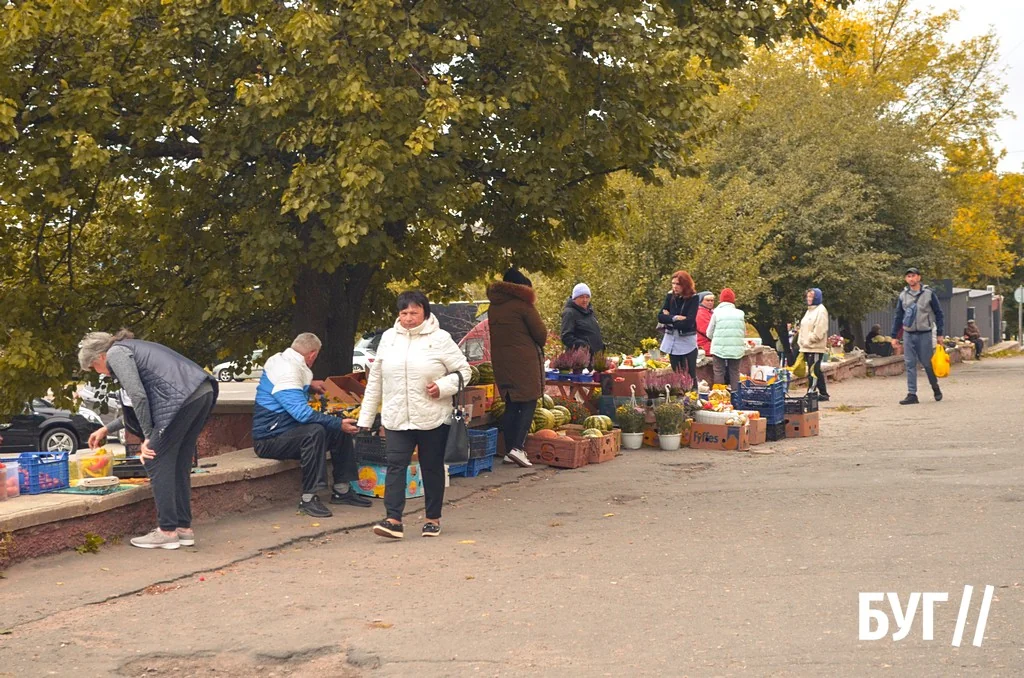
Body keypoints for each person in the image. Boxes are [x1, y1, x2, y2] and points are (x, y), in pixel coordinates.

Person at [78, 329, 217, 550]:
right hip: (201, 392)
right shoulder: (132, 349)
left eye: (95, 367)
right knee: (180, 461)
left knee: (154, 458)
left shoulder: (116, 354)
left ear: (101, 356)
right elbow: (137, 406)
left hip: (183, 399)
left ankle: (167, 531)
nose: (100, 373)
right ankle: (183, 528)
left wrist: (150, 438)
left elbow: (139, 396)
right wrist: (107, 428)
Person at [357, 291, 472, 539]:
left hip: (432, 417)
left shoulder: (441, 339)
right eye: (404, 313)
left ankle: (432, 519)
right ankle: (393, 520)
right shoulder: (388, 338)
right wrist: (365, 420)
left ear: (425, 313)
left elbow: (464, 371)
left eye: (414, 312)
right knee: (396, 466)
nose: (408, 318)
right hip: (397, 416)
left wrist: (443, 387)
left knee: (431, 467)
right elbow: (375, 379)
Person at [251, 333, 370, 519]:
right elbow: (302, 414)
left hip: (286, 430)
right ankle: (308, 499)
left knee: (336, 428)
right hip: (269, 440)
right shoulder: (289, 372)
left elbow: (288, 386)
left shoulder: (282, 359)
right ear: (312, 355)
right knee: (316, 432)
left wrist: (309, 386)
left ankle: (342, 490)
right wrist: (337, 423)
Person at [487, 268, 546, 468]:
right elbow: (541, 334)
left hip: (502, 362)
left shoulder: (494, 306)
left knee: (511, 403)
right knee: (529, 401)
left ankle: (509, 449)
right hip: (524, 362)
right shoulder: (523, 305)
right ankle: (518, 448)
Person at [890, 267, 944, 405]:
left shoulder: (929, 294)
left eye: (913, 276)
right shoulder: (903, 295)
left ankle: (935, 387)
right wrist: (894, 336)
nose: (911, 279)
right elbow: (898, 316)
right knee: (909, 364)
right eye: (908, 276)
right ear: (905, 279)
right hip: (909, 334)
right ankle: (912, 394)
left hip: (925, 333)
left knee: (927, 363)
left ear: (919, 277)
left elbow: (939, 313)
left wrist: (940, 334)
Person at [657, 271, 700, 385]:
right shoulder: (670, 296)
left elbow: (688, 322)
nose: (675, 286)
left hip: (686, 341)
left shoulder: (693, 298)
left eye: (678, 284)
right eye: (673, 283)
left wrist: (669, 318)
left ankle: (693, 399)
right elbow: (660, 317)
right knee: (677, 375)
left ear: (685, 285)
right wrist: (675, 318)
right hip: (672, 340)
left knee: (690, 375)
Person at [705, 288, 746, 392]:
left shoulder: (716, 313)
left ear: (721, 300)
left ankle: (719, 397)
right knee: (735, 372)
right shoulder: (740, 313)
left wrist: (717, 339)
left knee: (719, 372)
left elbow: (709, 333)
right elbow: (743, 332)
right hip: (736, 349)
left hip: (719, 348)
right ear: (733, 300)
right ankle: (736, 397)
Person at [797, 288, 830, 401]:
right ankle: (824, 393)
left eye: (811, 296)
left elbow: (820, 329)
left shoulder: (821, 311)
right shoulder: (809, 310)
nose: (808, 299)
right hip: (806, 346)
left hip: (815, 347)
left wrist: (810, 339)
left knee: (813, 371)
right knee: (815, 370)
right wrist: (800, 340)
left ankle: (811, 393)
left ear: (816, 297)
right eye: (808, 296)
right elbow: (803, 327)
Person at [560, 283, 604, 358]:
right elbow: (566, 337)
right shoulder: (570, 313)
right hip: (579, 359)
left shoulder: (590, 312)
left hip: (595, 358)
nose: (585, 300)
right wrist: (584, 346)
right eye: (581, 297)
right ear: (574, 298)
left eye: (587, 297)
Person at [695, 291, 714, 355]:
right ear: (701, 301)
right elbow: (707, 330)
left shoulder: (710, 312)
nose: (710, 302)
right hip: (704, 347)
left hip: (708, 346)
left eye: (712, 300)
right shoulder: (700, 313)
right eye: (707, 300)